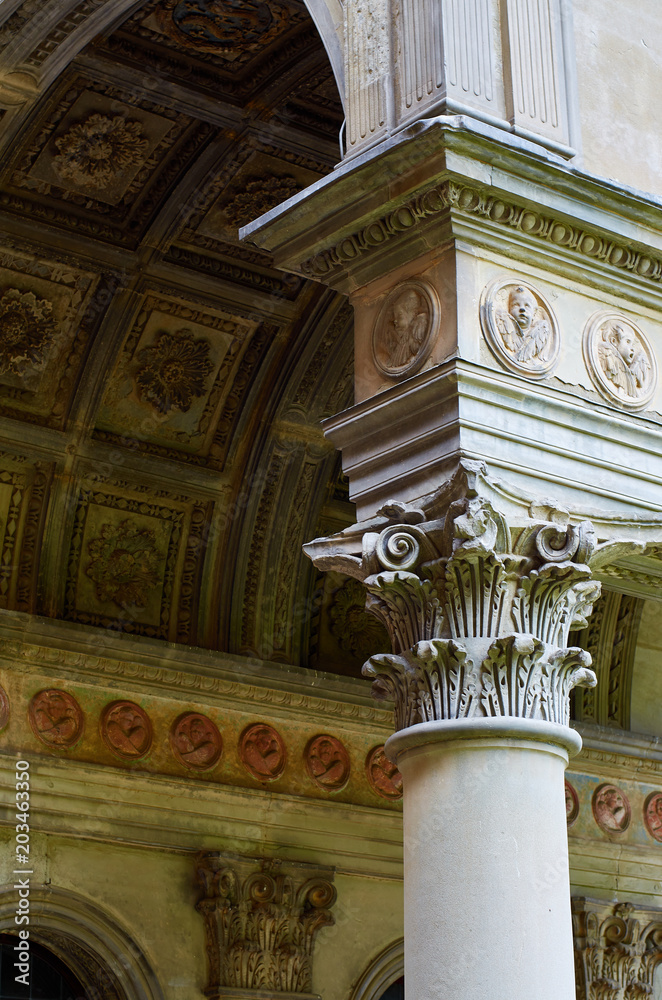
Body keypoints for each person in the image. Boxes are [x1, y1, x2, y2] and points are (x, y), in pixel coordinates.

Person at [495, 286, 552, 364]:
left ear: (534, 312)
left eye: (527, 306)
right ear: (509, 309)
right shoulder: (503, 319)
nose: (522, 309)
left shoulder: (541, 328)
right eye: (516, 305)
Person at [598, 321, 649, 396]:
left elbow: (640, 383)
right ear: (614, 341)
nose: (632, 349)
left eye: (632, 344)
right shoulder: (607, 350)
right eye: (628, 342)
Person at [383, 288, 429, 369]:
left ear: (413, 314)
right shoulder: (399, 341)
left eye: (399, 316)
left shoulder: (419, 323)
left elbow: (416, 349)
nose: (395, 321)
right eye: (395, 317)